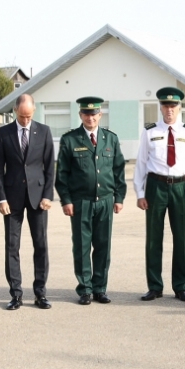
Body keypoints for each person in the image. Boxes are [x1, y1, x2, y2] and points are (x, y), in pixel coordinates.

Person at [134, 87, 185, 302]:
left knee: (180, 238)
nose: (169, 109)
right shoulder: (150, 131)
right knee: (154, 239)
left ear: (179, 107)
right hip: (156, 185)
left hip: (180, 187)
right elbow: (141, 163)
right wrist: (140, 192)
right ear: (160, 107)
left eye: (173, 106)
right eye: (165, 105)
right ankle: (155, 286)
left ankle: (181, 286)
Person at [56, 97, 125, 304]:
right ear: (80, 115)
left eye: (94, 113)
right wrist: (66, 200)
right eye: (86, 113)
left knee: (103, 246)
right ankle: (85, 289)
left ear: (100, 115)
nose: (90, 117)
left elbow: (118, 170)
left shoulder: (110, 139)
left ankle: (100, 288)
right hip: (80, 202)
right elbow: (62, 174)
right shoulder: (70, 140)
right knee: (82, 246)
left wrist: (119, 197)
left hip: (105, 200)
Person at [0, 93, 56, 310]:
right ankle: (16, 294)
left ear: (34, 111)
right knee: (12, 246)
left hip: (39, 199)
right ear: (15, 112)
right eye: (22, 117)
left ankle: (40, 293)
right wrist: (1, 198)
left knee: (41, 245)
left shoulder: (44, 131)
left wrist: (48, 195)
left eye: (29, 116)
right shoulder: (4, 133)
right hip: (12, 199)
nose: (25, 120)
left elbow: (50, 167)